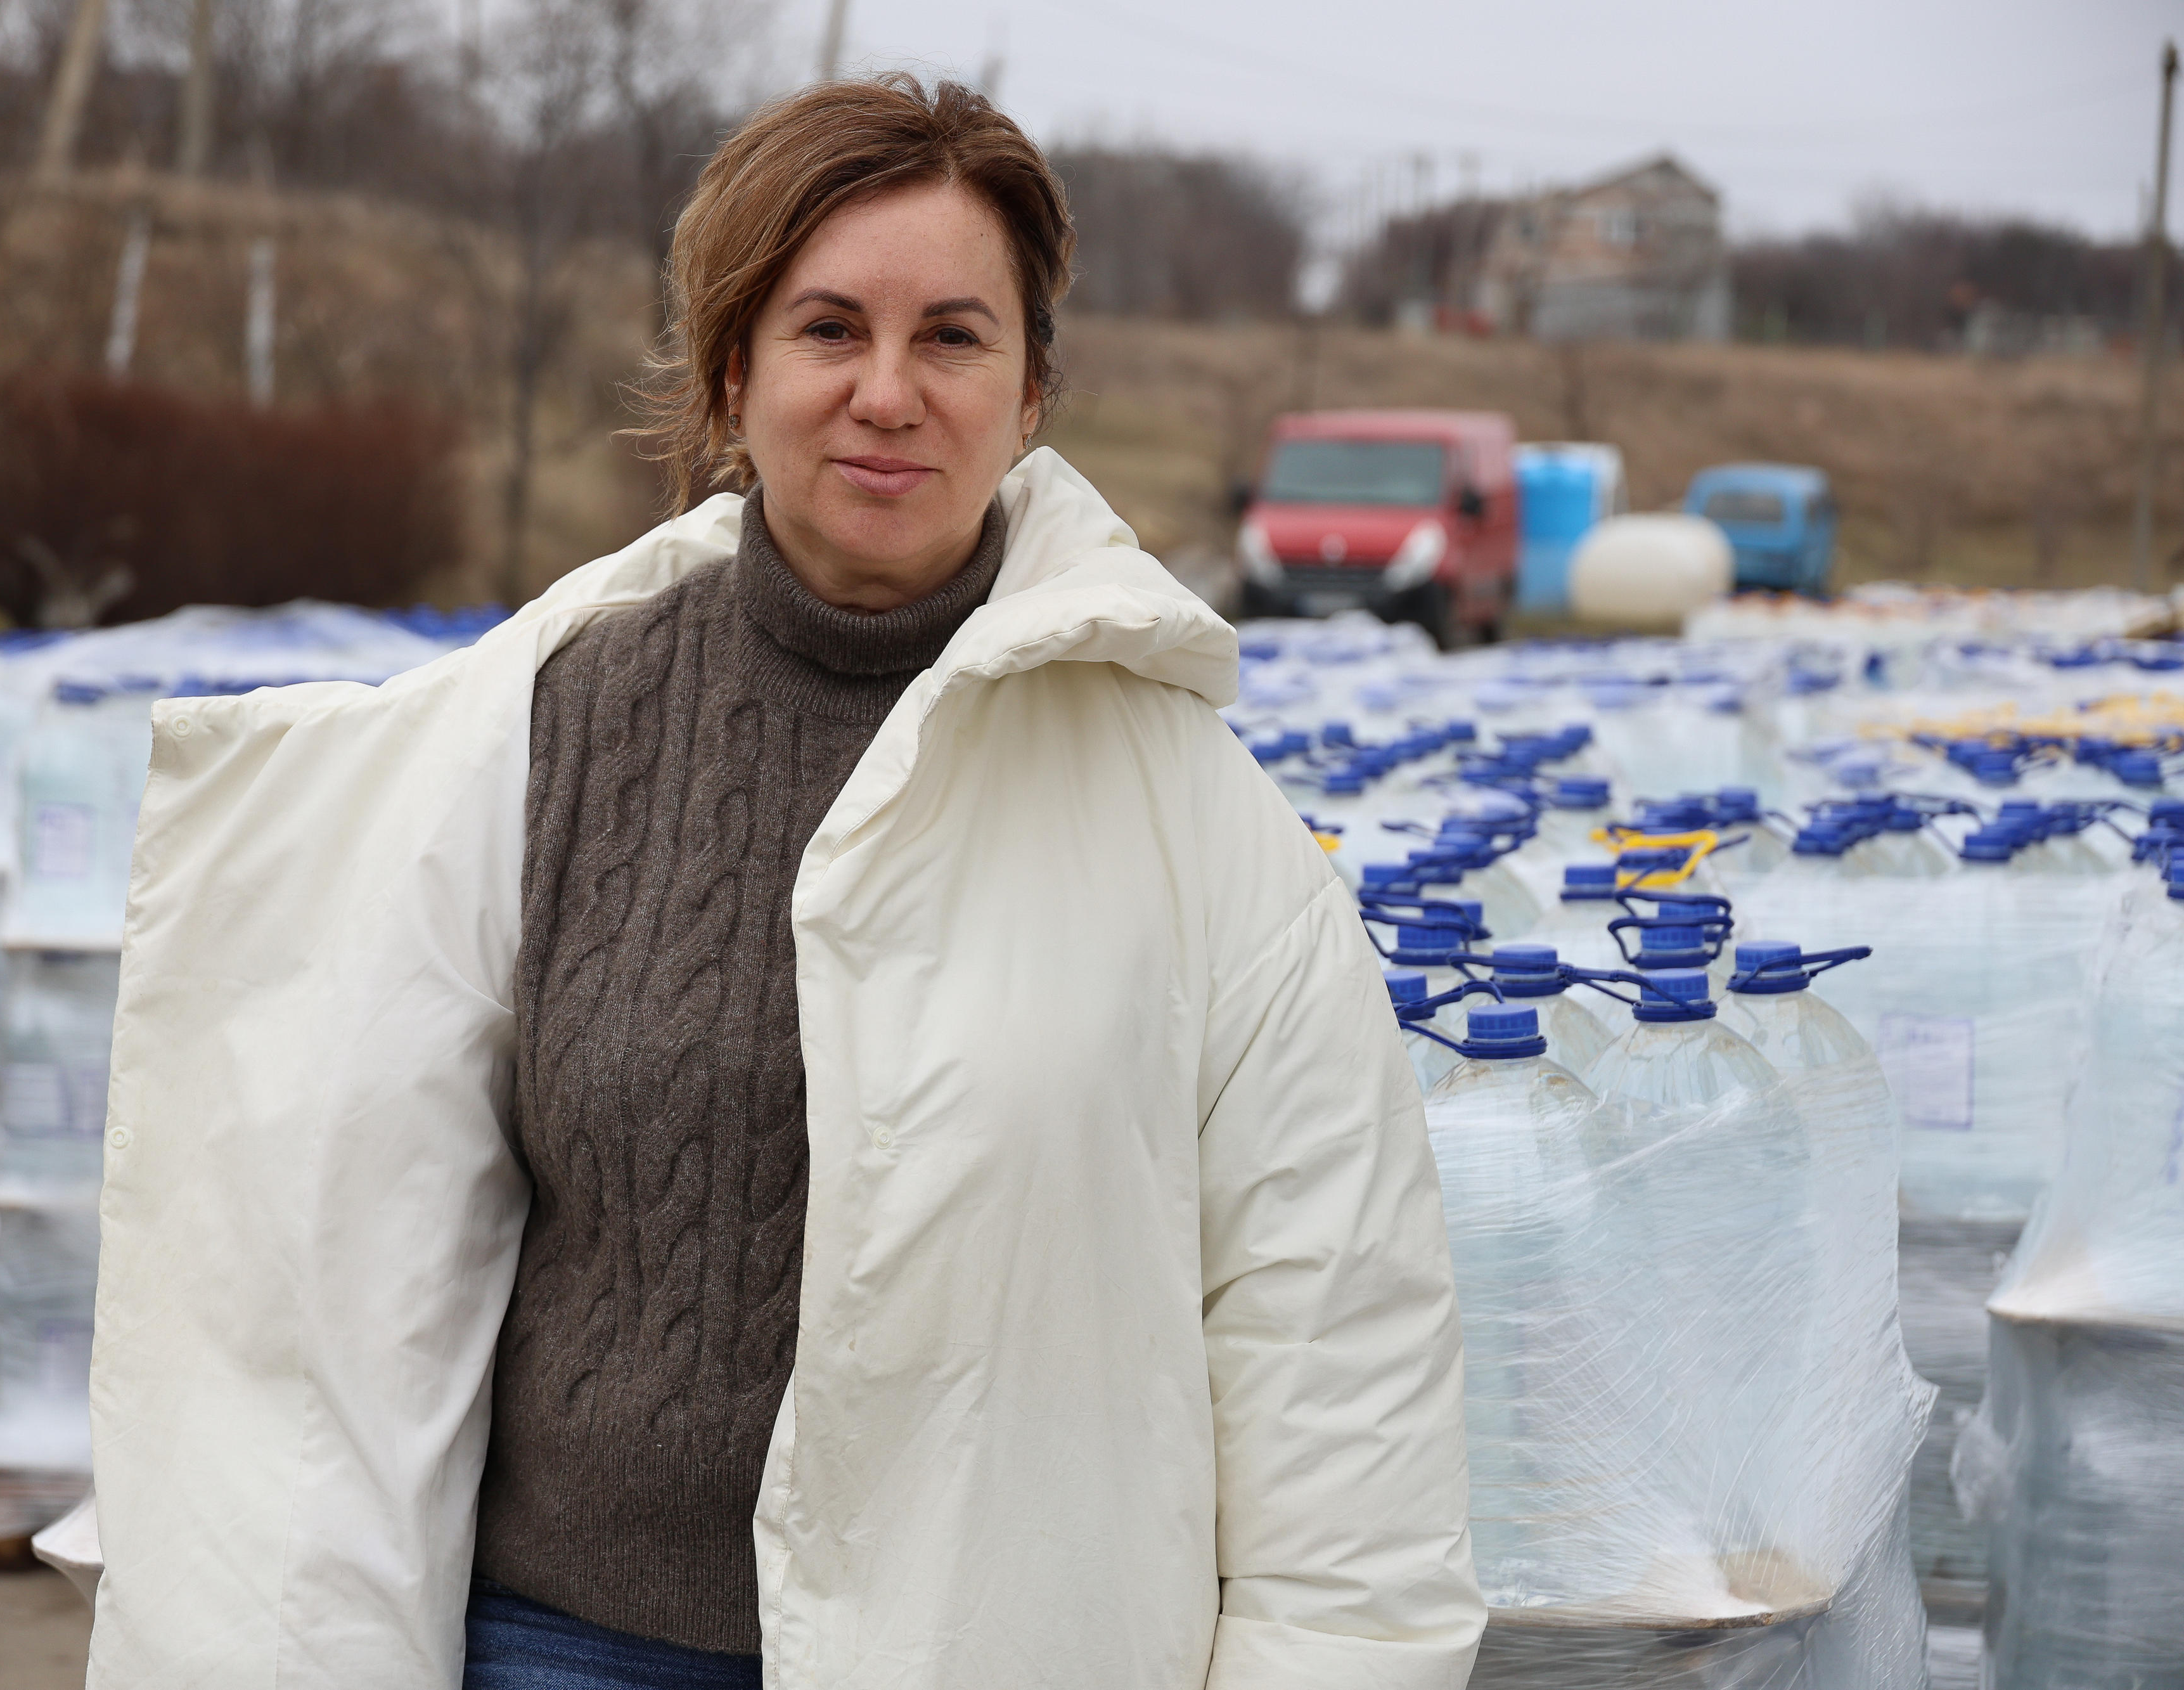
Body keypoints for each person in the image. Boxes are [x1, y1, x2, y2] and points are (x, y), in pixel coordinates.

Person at [78, 75, 1482, 1690]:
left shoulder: (1186, 812)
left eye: (952, 336)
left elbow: (1331, 1345)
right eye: (829, 329)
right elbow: (346, 1257)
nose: (888, 392)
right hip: (548, 1645)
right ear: (733, 370)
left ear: (1030, 392)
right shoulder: (546, 733)